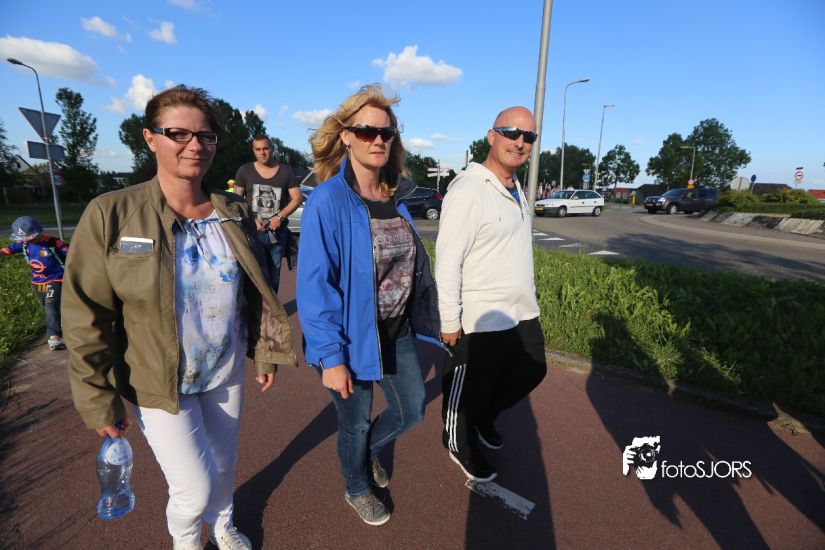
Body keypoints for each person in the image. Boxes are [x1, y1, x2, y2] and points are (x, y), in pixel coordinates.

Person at [62, 85, 296, 550]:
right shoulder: (112, 214)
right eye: (179, 134)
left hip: (224, 370)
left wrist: (265, 352)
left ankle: (223, 525)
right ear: (150, 138)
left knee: (224, 465)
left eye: (205, 136)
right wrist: (96, 397)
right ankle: (186, 541)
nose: (195, 145)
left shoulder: (232, 211)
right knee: (192, 488)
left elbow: (253, 291)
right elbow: (86, 315)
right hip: (158, 380)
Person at [297, 84, 440, 526]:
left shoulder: (396, 196)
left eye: (386, 132)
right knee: (355, 423)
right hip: (348, 338)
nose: (377, 139)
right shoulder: (328, 200)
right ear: (345, 136)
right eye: (365, 131)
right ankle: (356, 485)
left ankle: (369, 452)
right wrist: (330, 357)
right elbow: (315, 286)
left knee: (410, 410)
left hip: (396, 332)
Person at [436, 106, 548, 482]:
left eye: (529, 136)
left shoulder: (516, 188)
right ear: (491, 136)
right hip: (480, 315)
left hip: (520, 310)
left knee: (532, 369)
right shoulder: (469, 190)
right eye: (512, 132)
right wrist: (450, 320)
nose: (520, 142)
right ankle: (458, 440)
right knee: (470, 385)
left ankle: (482, 417)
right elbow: (448, 260)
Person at [233, 135, 302, 294]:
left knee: (274, 275)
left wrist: (279, 217)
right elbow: (236, 200)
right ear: (253, 151)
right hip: (252, 233)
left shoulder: (286, 171)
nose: (262, 152)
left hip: (277, 234)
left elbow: (297, 198)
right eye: (258, 149)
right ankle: (256, 308)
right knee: (252, 274)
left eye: (266, 148)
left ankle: (272, 308)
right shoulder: (244, 170)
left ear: (272, 149)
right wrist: (252, 219)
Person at [1, 216, 69, 350]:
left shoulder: (53, 243)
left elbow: (74, 254)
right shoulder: (24, 244)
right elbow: (8, 250)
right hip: (37, 283)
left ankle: (53, 336)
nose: (27, 240)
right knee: (49, 306)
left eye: (30, 237)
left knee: (51, 306)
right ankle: (63, 320)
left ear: (38, 232)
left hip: (55, 279)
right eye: (24, 238)